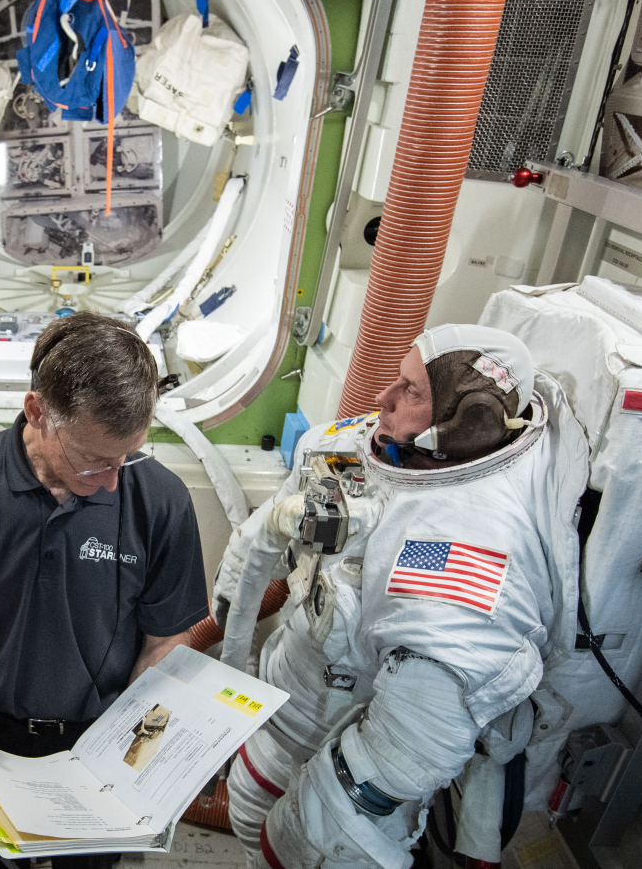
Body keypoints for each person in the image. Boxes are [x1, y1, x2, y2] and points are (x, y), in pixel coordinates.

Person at [211, 325, 588, 868]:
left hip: (345, 752)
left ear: (467, 422)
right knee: (250, 823)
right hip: (278, 703)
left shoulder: (468, 540)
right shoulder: (353, 444)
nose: (382, 399)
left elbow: (412, 743)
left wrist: (310, 831)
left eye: (410, 392)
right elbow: (267, 533)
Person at [0, 312, 210, 868]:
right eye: (95, 459)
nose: (115, 480)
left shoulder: (161, 501)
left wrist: (143, 744)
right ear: (38, 413)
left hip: (99, 748)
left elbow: (165, 641)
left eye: (129, 455)